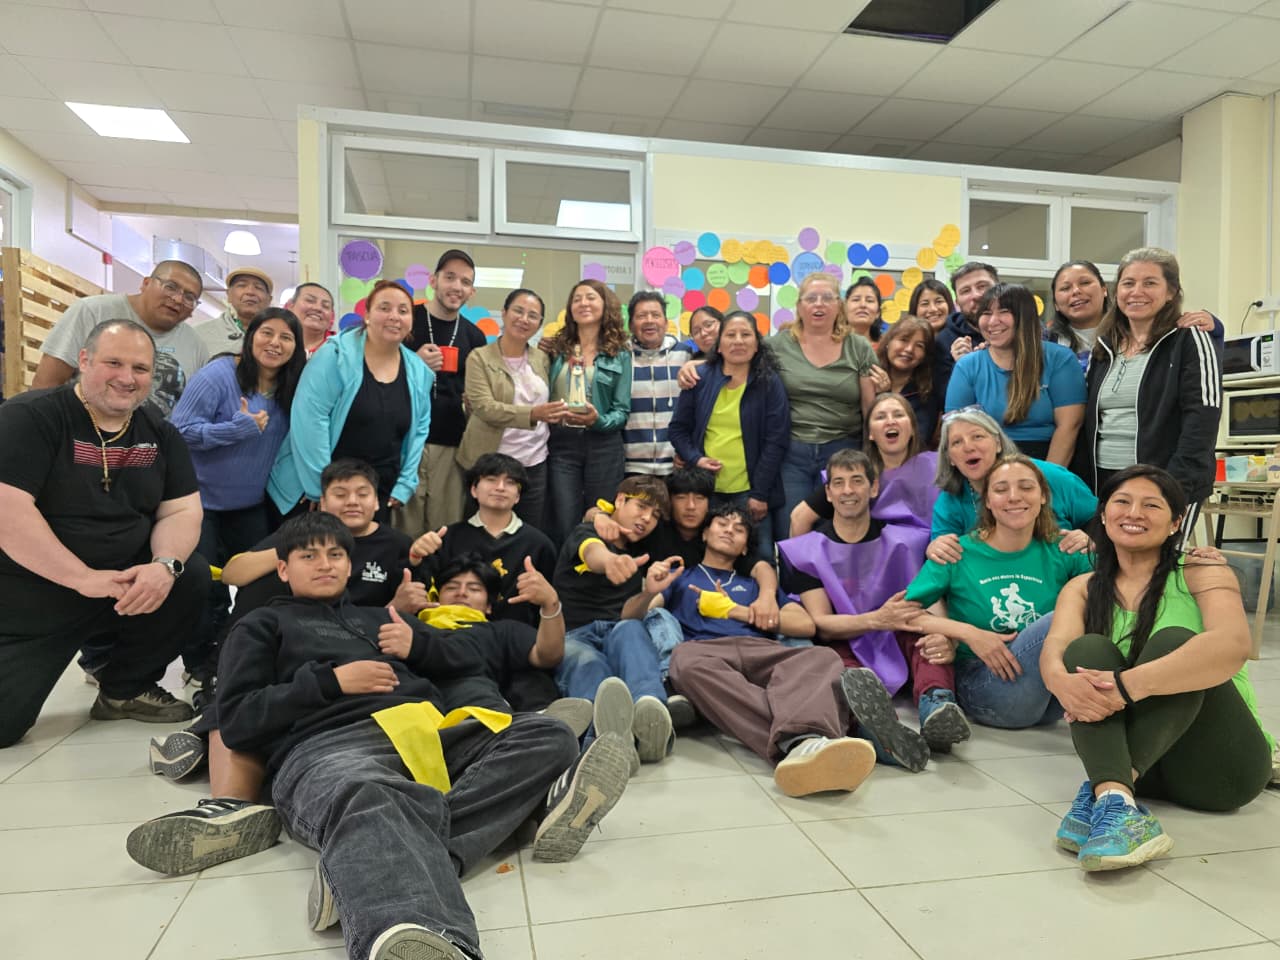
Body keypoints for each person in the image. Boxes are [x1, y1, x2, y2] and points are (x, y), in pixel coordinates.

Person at [189, 512, 617, 959]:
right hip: (329, 747)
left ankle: (363, 860)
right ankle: (415, 926)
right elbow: (236, 719)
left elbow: (466, 660)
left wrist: (420, 646)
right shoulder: (260, 625)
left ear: (350, 565)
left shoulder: (383, 618)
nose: (325, 564)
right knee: (373, 796)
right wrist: (332, 682)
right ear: (283, 568)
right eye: (308, 556)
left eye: (335, 555)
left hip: (425, 732)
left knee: (549, 735)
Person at [1041, 465, 1273, 871]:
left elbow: (1234, 644)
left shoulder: (1203, 571)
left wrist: (1126, 686)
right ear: (1103, 515)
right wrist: (1062, 684)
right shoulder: (1082, 588)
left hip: (1221, 770)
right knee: (1086, 650)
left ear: (1175, 523)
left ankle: (1107, 795)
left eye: (1151, 505)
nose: (1134, 513)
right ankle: (1115, 799)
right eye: (1122, 502)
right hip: (1139, 771)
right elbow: (1054, 652)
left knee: (1176, 643)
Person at [0, 320, 203, 747]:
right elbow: (8, 510)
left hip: (122, 583)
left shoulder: (160, 433)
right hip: (36, 588)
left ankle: (124, 689)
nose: (127, 378)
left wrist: (163, 566)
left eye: (140, 368)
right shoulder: (31, 416)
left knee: (191, 575)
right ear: (85, 360)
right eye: (114, 363)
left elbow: (183, 510)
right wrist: (81, 578)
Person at [634, 503, 881, 798]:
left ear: (744, 549)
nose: (729, 530)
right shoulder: (681, 578)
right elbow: (634, 618)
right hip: (704, 652)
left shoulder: (755, 585)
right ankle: (808, 739)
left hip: (760, 649)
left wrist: (738, 611)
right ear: (704, 534)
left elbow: (805, 625)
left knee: (822, 656)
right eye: (722, 524)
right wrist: (649, 591)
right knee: (684, 662)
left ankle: (802, 742)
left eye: (739, 529)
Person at [779, 449, 961, 771]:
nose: (848, 490)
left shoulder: (907, 541)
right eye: (839, 483)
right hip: (844, 637)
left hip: (897, 632)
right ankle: (878, 727)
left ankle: (937, 706)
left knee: (928, 641)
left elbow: (929, 600)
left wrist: (947, 637)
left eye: (857, 481)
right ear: (828, 493)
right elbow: (822, 623)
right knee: (841, 670)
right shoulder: (805, 551)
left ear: (873, 487)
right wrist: (876, 619)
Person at [170, 307, 306, 686]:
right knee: (204, 586)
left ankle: (241, 651)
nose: (274, 343)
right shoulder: (219, 375)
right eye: (267, 333)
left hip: (249, 504)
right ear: (250, 337)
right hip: (199, 504)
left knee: (263, 579)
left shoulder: (292, 388)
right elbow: (178, 431)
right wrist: (235, 429)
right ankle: (200, 662)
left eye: (286, 337)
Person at [905, 455, 1092, 729]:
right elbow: (903, 613)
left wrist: (1091, 544)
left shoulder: (1064, 548)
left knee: (1095, 601)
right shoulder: (957, 551)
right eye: (1001, 489)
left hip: (1055, 698)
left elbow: (1112, 597)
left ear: (1043, 496)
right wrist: (969, 634)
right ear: (988, 502)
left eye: (1026, 487)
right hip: (987, 687)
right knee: (1062, 616)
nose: (1014, 497)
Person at [1070, 248, 1221, 536]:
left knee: (1158, 561)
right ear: (1117, 291)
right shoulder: (1105, 346)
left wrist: (1175, 487)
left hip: (1168, 480)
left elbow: (1202, 419)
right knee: (1104, 560)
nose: (1136, 292)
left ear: (1171, 292)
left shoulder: (1190, 339)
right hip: (1106, 481)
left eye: (1150, 283)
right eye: (1128, 283)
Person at [268, 280, 432, 525]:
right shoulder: (335, 355)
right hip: (318, 488)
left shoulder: (419, 371)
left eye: (403, 311)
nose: (394, 316)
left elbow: (419, 430)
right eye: (384, 308)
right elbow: (310, 419)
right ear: (367, 315)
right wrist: (321, 487)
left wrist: (406, 483)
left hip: (377, 491)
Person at [554, 475, 674, 764]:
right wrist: (610, 562)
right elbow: (592, 552)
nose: (647, 519)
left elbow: (627, 615)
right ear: (620, 500)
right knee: (589, 663)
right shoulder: (587, 531)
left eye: (655, 515)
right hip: (575, 634)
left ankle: (649, 714)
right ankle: (605, 737)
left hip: (615, 629)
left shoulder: (639, 553)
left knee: (632, 630)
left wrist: (649, 592)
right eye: (642, 507)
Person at [668, 309, 790, 560]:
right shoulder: (699, 377)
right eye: (730, 335)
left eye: (746, 335)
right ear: (719, 345)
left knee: (760, 556)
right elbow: (678, 429)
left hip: (750, 490)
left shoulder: (769, 382)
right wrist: (696, 459)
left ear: (757, 344)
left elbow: (776, 441)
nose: (738, 341)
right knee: (702, 555)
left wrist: (759, 493)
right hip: (705, 489)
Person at [766, 271, 878, 536]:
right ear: (799, 306)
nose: (819, 304)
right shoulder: (776, 346)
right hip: (791, 451)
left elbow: (870, 409)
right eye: (811, 298)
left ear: (839, 305)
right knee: (791, 530)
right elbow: (736, 361)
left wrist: (872, 459)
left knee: (837, 532)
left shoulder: (858, 347)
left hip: (843, 451)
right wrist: (695, 364)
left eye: (827, 298)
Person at [31, 259, 209, 415]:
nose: (178, 299)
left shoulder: (196, 346)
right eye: (170, 287)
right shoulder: (92, 312)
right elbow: (46, 385)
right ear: (146, 283)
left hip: (154, 443)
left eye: (189, 297)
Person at [413, 453, 559, 629]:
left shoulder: (539, 544)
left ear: (518, 496)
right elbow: (422, 597)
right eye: (491, 479)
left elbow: (550, 606)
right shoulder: (446, 537)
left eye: (510, 482)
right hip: (452, 634)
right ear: (474, 490)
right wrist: (415, 559)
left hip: (515, 637)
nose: (500, 487)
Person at [397, 250, 487, 535]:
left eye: (465, 282)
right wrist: (414, 364)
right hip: (404, 437)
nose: (456, 287)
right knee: (403, 525)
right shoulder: (406, 320)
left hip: (451, 441)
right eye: (450, 277)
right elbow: (377, 370)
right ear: (433, 281)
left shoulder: (474, 336)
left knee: (444, 528)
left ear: (472, 292)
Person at [945, 283, 1086, 463]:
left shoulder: (1060, 359)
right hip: (986, 462)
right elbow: (956, 429)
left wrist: (1048, 476)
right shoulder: (968, 366)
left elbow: (1069, 426)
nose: (993, 321)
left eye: (1004, 311)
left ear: (1024, 316)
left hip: (1048, 459)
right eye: (986, 313)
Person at [457, 289, 563, 529]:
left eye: (533, 316)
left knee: (528, 532)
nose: (524, 319)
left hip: (533, 463)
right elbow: (485, 408)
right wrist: (533, 414)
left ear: (539, 324)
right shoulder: (479, 358)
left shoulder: (542, 359)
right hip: (488, 463)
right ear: (504, 313)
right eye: (518, 311)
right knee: (481, 533)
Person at [929, 407, 1095, 559]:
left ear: (998, 443)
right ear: (949, 458)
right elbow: (942, 555)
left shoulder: (1053, 476)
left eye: (977, 436)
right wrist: (936, 549)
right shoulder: (950, 500)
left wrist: (1090, 538)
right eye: (957, 442)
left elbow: (1100, 518)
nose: (968, 447)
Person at [544, 279, 634, 545]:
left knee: (601, 518)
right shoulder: (556, 350)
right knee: (564, 520)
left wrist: (598, 421)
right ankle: (565, 570)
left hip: (603, 445)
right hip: (561, 443)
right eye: (577, 299)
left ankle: (596, 569)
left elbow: (622, 411)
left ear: (605, 305)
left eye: (591, 297)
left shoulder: (620, 353)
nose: (583, 303)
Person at [790, 392, 940, 537]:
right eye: (880, 417)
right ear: (870, 434)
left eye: (898, 415)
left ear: (913, 428)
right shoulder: (855, 474)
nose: (890, 421)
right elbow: (799, 517)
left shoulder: (938, 467)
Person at [623, 290, 691, 477]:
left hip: (676, 465)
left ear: (666, 322)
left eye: (655, 315)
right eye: (641, 316)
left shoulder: (685, 356)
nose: (649, 320)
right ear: (631, 325)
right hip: (630, 467)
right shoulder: (620, 358)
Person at [934, 261, 998, 398]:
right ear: (957, 302)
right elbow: (945, 399)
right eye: (965, 291)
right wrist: (963, 366)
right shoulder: (944, 341)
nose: (976, 295)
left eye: (982, 286)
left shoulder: (1025, 330)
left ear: (999, 289)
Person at [875, 315, 940, 446]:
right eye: (904, 340)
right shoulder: (868, 377)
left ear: (925, 355)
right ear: (888, 342)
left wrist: (886, 397)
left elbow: (918, 439)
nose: (909, 349)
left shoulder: (927, 393)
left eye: (919, 346)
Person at [190, 266, 273, 358]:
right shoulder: (198, 335)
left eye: (258, 288)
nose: (250, 292)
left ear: (269, 300)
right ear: (229, 294)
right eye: (242, 285)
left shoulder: (278, 338)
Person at [285, 282, 336, 358]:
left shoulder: (341, 348)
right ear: (290, 306)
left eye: (325, 306)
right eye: (310, 300)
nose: (318, 308)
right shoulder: (275, 343)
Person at [844, 275, 888, 342]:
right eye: (856, 299)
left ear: (878, 312)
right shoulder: (832, 344)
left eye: (869, 301)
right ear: (844, 308)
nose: (863, 305)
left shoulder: (885, 346)